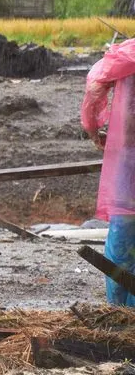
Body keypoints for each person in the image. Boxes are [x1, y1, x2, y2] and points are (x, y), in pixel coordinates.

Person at [80, 38, 135, 306]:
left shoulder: (127, 53)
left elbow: (94, 85)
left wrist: (93, 127)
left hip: (129, 157)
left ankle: (119, 312)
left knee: (124, 235)